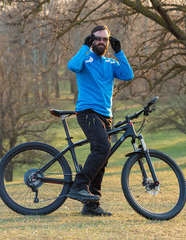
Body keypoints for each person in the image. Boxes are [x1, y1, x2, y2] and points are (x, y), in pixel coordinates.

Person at [67, 25, 134, 216]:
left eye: (105, 39)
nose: (101, 42)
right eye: (98, 39)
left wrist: (119, 52)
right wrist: (84, 47)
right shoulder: (85, 60)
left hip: (106, 116)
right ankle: (79, 185)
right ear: (91, 40)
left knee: (102, 159)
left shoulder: (111, 64)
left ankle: (91, 205)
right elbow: (72, 66)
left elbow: (128, 75)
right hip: (87, 112)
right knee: (103, 148)